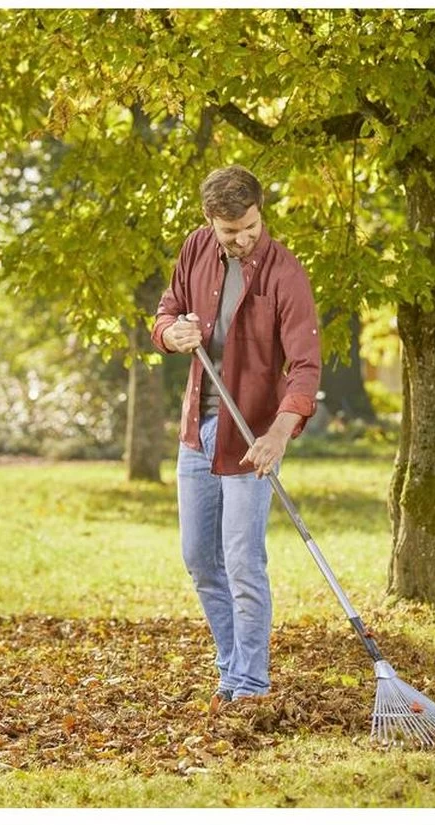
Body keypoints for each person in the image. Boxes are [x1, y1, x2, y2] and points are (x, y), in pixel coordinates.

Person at [152, 165, 321, 711]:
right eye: (231, 233)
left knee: (244, 561)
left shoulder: (285, 273)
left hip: (252, 434)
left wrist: (280, 432)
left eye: (250, 226)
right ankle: (232, 668)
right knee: (200, 558)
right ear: (210, 223)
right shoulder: (196, 249)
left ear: (259, 211)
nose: (243, 239)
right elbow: (167, 312)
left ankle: (250, 684)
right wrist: (170, 333)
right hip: (196, 434)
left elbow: (305, 366)